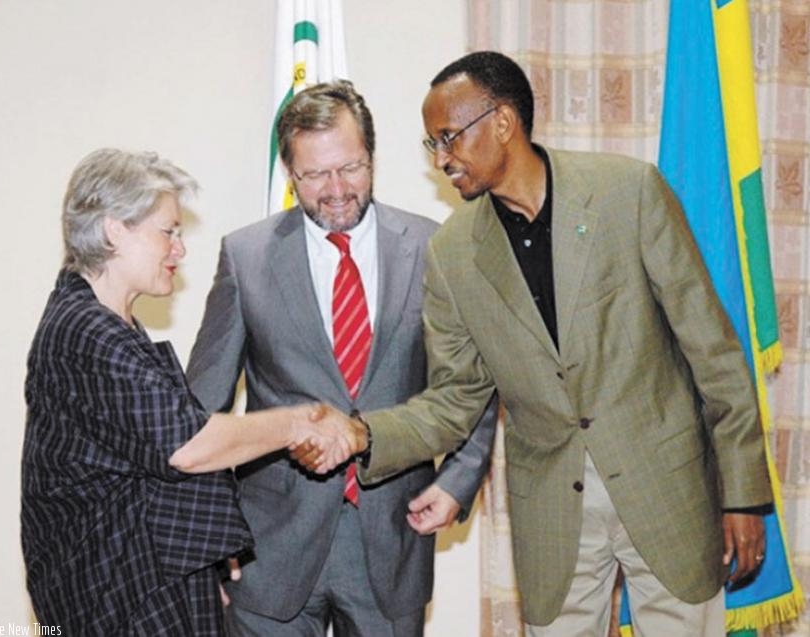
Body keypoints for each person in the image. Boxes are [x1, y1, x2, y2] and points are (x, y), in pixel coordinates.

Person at [293, 51, 774, 637]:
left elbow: (713, 352)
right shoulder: (452, 255)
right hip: (554, 516)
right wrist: (364, 434)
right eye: (432, 146)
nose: (442, 160)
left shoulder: (628, 193)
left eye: (447, 138)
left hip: (666, 491)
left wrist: (745, 498)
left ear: (501, 123)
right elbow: (454, 400)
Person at [185, 79, 497, 637]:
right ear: (289, 175)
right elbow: (199, 415)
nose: (335, 189)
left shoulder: (435, 247)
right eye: (315, 174)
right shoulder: (246, 257)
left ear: (372, 158)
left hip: (393, 539)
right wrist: (207, 542)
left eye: (350, 167)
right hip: (268, 550)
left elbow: (475, 380)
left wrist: (458, 479)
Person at [21, 148, 344, 636]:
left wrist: (205, 555)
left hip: (147, 581)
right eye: (167, 232)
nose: (179, 249)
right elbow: (187, 447)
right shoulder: (85, 331)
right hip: (109, 596)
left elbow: (147, 462)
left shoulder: (110, 323)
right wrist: (303, 419)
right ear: (114, 229)